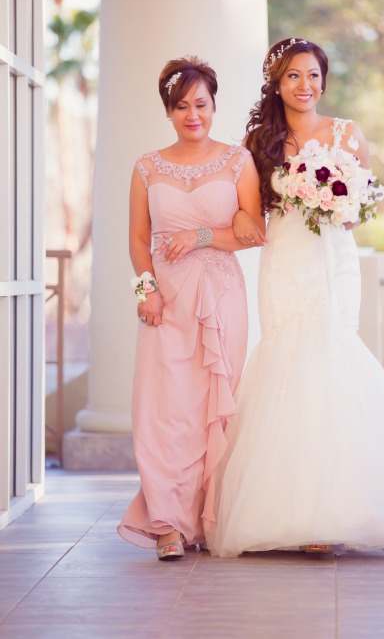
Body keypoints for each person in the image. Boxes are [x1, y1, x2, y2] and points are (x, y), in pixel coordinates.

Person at [207, 38, 384, 557]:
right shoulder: (259, 141)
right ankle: (291, 513)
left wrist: (340, 200)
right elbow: (250, 213)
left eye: (313, 75)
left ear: (324, 79)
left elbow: (363, 206)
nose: (305, 86)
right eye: (293, 75)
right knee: (287, 361)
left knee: (334, 355)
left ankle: (343, 508)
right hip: (286, 260)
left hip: (335, 261)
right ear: (277, 82)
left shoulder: (346, 133)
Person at [117, 56, 265, 560]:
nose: (192, 114)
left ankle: (208, 517)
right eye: (182, 106)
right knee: (164, 411)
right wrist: (146, 291)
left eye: (201, 104)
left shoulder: (238, 161)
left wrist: (201, 234)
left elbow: (253, 232)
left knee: (212, 411)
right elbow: (138, 239)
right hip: (166, 298)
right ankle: (166, 525)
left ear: (214, 105)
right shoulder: (146, 166)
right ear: (169, 110)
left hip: (221, 296)